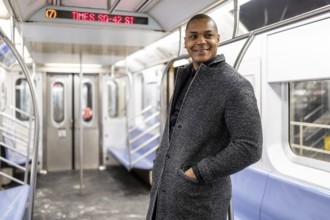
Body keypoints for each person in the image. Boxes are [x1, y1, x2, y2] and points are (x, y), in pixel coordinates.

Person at [146, 14, 263, 220]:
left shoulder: (234, 86)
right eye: (193, 36)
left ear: (218, 38)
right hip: (165, 195)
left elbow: (250, 147)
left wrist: (198, 172)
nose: (200, 41)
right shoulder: (185, 78)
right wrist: (159, 167)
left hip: (199, 202)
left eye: (208, 35)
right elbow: (174, 131)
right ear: (185, 43)